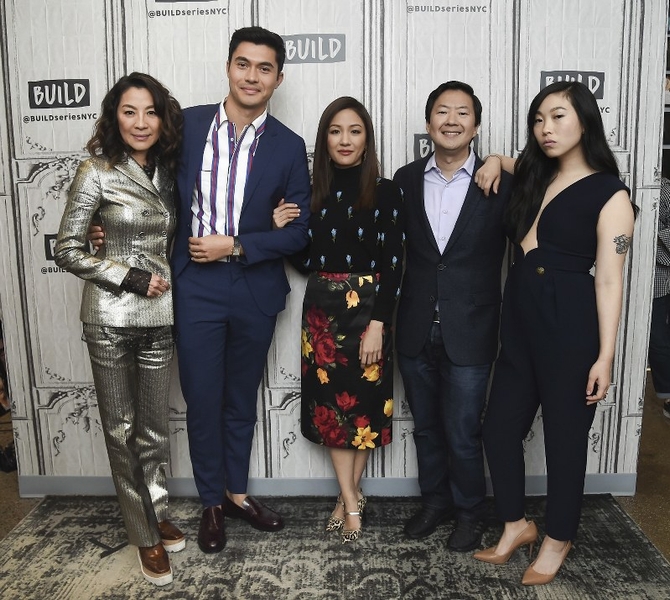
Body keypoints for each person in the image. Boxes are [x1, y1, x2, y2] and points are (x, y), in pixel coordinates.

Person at [473, 81, 635, 586]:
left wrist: (605, 355)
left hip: (570, 326)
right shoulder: (534, 175)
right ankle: (516, 524)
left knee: (566, 441)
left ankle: (558, 537)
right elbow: (510, 162)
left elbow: (609, 280)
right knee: (498, 429)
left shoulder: (611, 193)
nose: (546, 128)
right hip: (519, 322)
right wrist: (494, 158)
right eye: (539, 119)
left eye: (559, 116)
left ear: (585, 121)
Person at [172, 26, 311, 554]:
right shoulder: (185, 126)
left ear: (278, 78)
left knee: (239, 399)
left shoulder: (289, 146)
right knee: (203, 399)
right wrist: (107, 227)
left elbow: (299, 234)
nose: (252, 76)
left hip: (255, 288)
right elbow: (145, 186)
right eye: (243, 64)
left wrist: (235, 244)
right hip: (195, 287)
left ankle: (236, 493)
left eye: (264, 68)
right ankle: (211, 502)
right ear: (228, 66)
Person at [55, 72, 184, 586]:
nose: (141, 122)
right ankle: (143, 534)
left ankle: (156, 508)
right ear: (115, 117)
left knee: (154, 429)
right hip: (109, 317)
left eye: (150, 111)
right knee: (120, 430)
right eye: (130, 111)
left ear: (162, 119)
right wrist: (128, 276)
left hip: (160, 317)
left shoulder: (170, 172)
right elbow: (67, 249)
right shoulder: (96, 171)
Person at [274, 96, 405, 543]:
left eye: (354, 130)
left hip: (370, 312)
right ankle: (351, 499)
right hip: (322, 315)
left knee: (362, 410)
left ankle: (347, 499)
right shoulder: (310, 191)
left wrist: (378, 324)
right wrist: (281, 230)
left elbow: (394, 265)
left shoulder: (387, 191)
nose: (345, 140)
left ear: (367, 139)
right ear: (324, 140)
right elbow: (305, 260)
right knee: (332, 411)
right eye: (335, 131)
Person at [392, 81, 513, 551]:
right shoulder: (405, 179)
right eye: (442, 111)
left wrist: (501, 160)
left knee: (463, 431)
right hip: (415, 326)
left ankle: (470, 512)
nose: (452, 120)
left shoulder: (497, 181)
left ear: (475, 126)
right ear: (429, 124)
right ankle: (435, 502)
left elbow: (551, 174)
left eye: (463, 113)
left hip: (472, 328)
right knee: (426, 428)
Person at [648, 177, 670, 419]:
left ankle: (667, 395)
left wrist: (649, 230)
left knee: (658, 339)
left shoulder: (663, 188)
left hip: (657, 278)